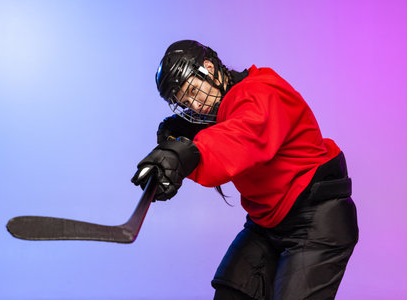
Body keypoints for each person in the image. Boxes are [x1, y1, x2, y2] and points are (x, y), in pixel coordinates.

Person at [131, 40, 359, 300]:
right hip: (267, 223)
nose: (195, 105)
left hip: (316, 221)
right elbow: (228, 127)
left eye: (194, 91)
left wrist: (183, 155)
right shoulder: (227, 108)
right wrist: (180, 145)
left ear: (209, 68)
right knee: (230, 294)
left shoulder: (260, 91)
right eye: (186, 101)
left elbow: (238, 138)